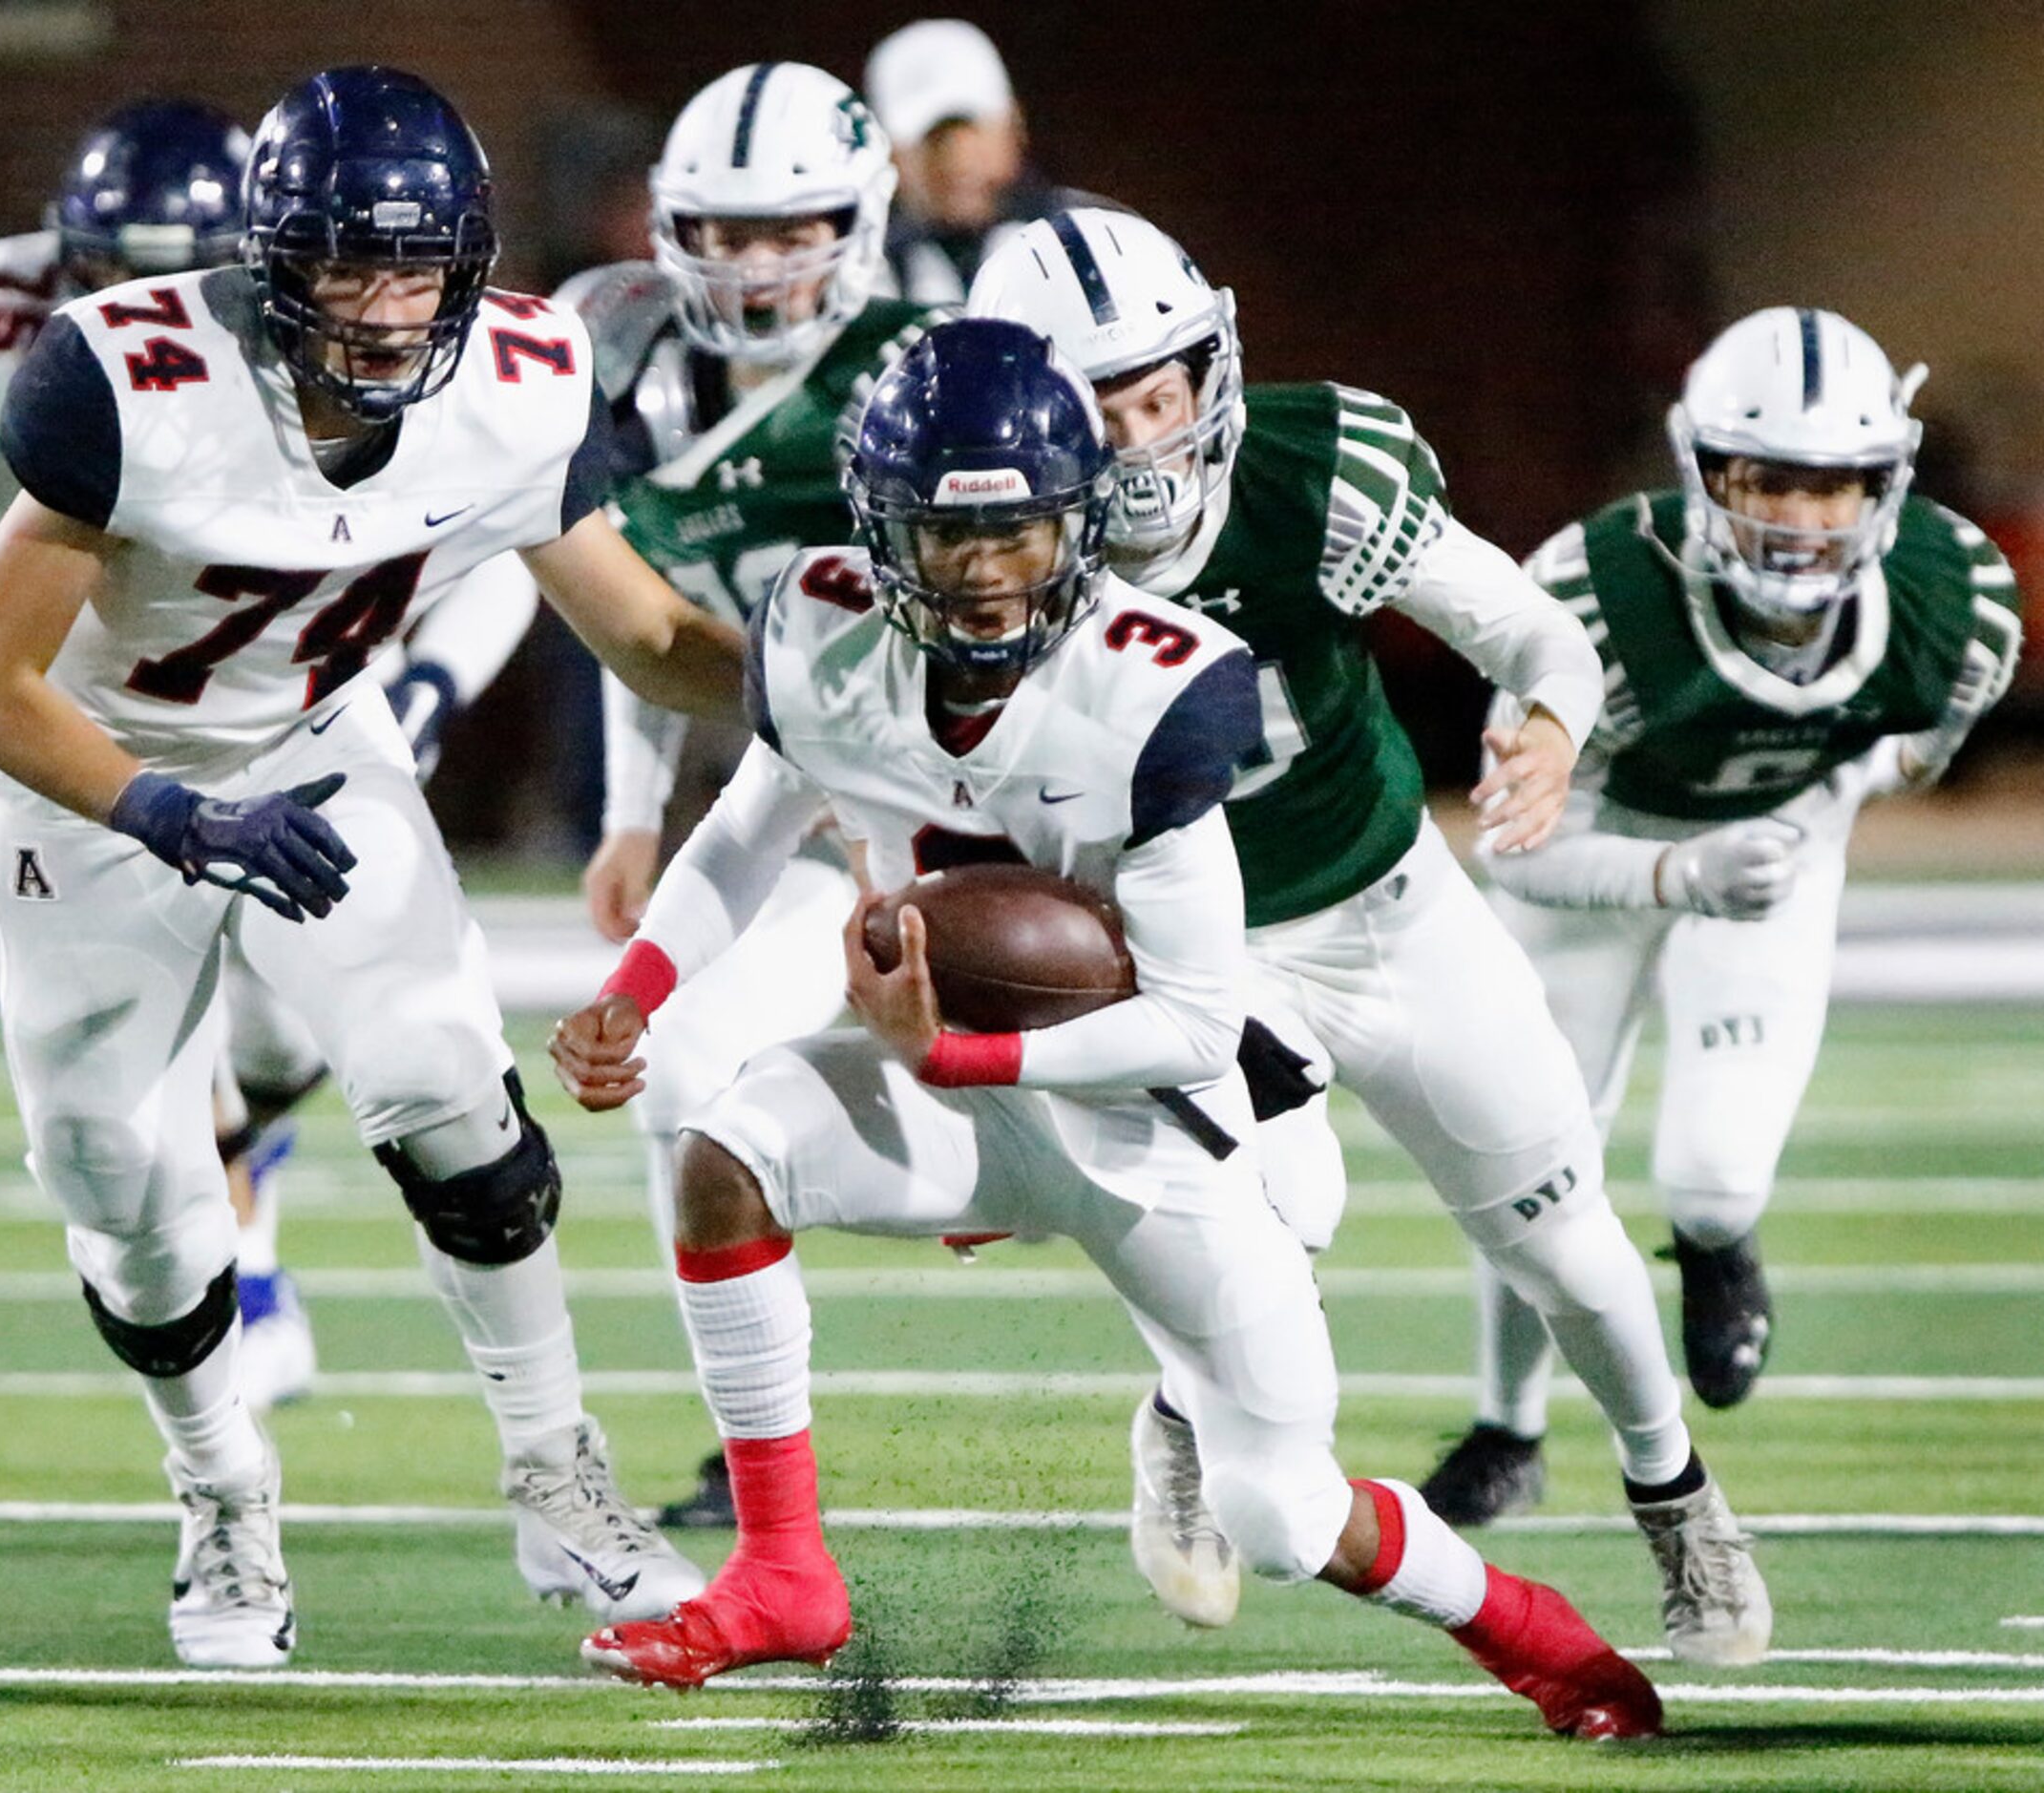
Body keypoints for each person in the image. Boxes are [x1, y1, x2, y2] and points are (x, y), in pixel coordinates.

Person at [548, 317, 1663, 1740]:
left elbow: (1194, 1027)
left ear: (1080, 520)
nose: (991, 572)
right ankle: (781, 1573)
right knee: (724, 1153)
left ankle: (1538, 1634)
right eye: (949, 540)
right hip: (956, 1075)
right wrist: (633, 993)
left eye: (1021, 532)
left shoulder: (1155, 681)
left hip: (1146, 1115)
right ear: (879, 530)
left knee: (1280, 1511)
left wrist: (953, 1052)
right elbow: (749, 827)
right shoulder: (819, 627)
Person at [0, 65, 740, 1669]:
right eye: (345, 266)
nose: (386, 307)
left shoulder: (514, 376)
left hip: (314, 749)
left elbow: (646, 633)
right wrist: (171, 817)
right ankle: (222, 1488)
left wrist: (846, 690)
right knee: (131, 1199)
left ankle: (553, 1472)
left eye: (416, 265)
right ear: (270, 259)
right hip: (96, 788)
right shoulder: (125, 376)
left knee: (449, 1083)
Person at [967, 209, 1770, 1664]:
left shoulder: (1313, 468)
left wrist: (1546, 724)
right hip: (1196, 953)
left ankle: (1678, 1496)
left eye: (1165, 389)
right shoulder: (983, 551)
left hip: (1394, 905)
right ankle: (1188, 1423)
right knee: (1276, 1211)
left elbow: (1533, 633)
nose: (1147, 440)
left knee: (1570, 1246)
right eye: (1101, 409)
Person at [1453, 306, 2021, 1496]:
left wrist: (1814, 818)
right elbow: (1514, 850)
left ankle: (1718, 1249)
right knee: (1527, 1169)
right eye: (1765, 479)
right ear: (1700, 467)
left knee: (1714, 1175)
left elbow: (1911, 756)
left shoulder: (1957, 592)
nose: (1800, 521)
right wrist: (1678, 873)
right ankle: (1510, 1429)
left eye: (1835, 486)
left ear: (1887, 483)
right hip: (1599, 859)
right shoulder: (1592, 593)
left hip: (1772, 857)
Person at [0, 96, 332, 1409]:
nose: (135, 305)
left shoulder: (307, 329)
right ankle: (241, 1274)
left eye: (164, 276)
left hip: (257, 677)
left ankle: (246, 1192)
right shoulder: (0, 305)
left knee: (282, 1023)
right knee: (125, 1033)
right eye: (108, 273)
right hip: (81, 683)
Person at [558, 58, 944, 1531]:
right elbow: (634, 616)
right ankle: (753, 1439)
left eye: (791, 230)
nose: (754, 263)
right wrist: (631, 811)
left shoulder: (927, 367)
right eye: (721, 230)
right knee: (681, 1063)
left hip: (957, 799)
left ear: (858, 218)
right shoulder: (630, 356)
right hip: (787, 795)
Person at [862, 19, 1092, 304]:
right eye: (931, 142)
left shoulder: (1097, 236)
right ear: (888, 155)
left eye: (972, 133)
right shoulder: (861, 275)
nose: (957, 162)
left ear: (1014, 125)